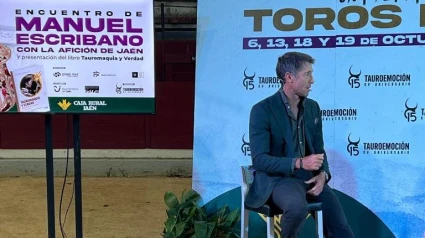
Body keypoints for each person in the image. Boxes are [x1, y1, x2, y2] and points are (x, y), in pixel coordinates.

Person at [244, 52, 354, 238]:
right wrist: (299, 163)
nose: (312, 80)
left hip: (310, 179)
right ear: (289, 77)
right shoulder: (262, 110)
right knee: (297, 208)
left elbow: (319, 150)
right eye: (307, 74)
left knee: (341, 229)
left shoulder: (313, 108)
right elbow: (260, 160)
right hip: (277, 180)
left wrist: (323, 174)